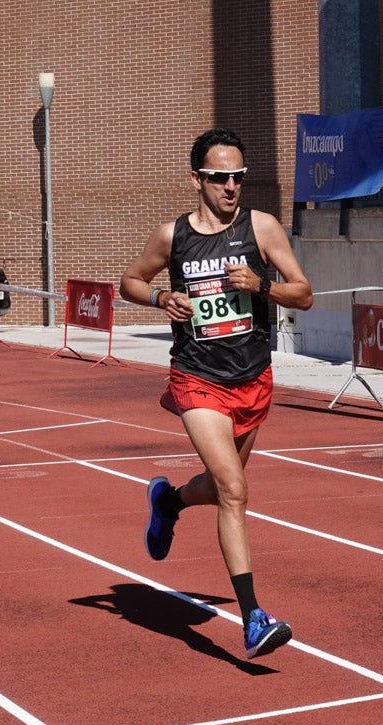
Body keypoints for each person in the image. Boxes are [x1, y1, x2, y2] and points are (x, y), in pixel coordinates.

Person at [120, 128, 314, 659]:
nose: (231, 187)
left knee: (220, 486)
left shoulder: (262, 227)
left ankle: (169, 500)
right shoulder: (173, 236)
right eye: (220, 177)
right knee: (234, 491)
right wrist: (162, 296)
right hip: (196, 377)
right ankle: (253, 617)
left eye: (238, 177)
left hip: (252, 378)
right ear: (197, 179)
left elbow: (305, 293)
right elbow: (129, 281)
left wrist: (262, 286)